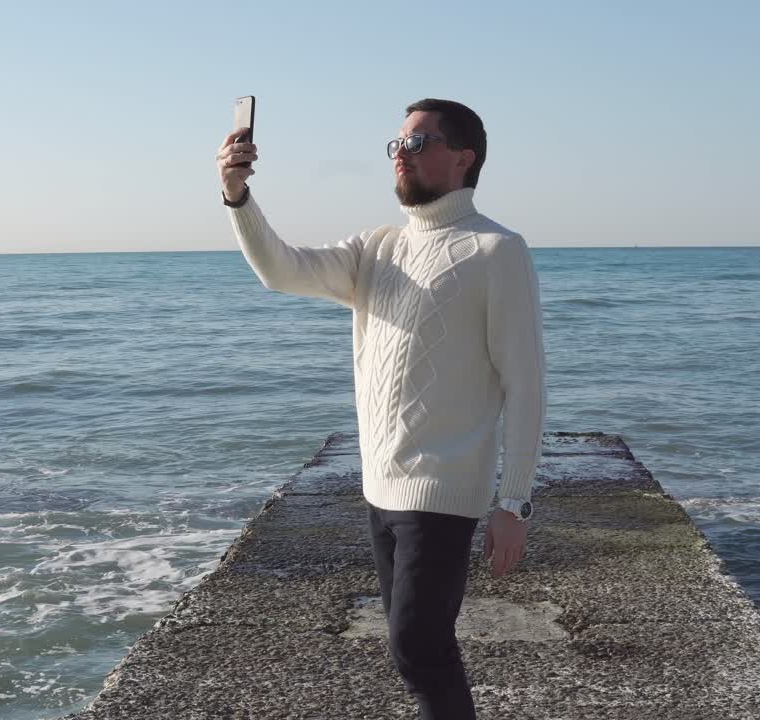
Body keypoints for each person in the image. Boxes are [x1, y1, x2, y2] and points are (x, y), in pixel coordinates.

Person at [214, 98, 546, 719]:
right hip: (380, 488)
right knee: (415, 651)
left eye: (418, 143)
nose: (401, 155)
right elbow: (281, 270)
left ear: (464, 158)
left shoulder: (496, 250)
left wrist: (514, 502)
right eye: (397, 144)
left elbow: (525, 382)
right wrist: (238, 197)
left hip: (442, 490)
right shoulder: (377, 246)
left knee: (418, 648)